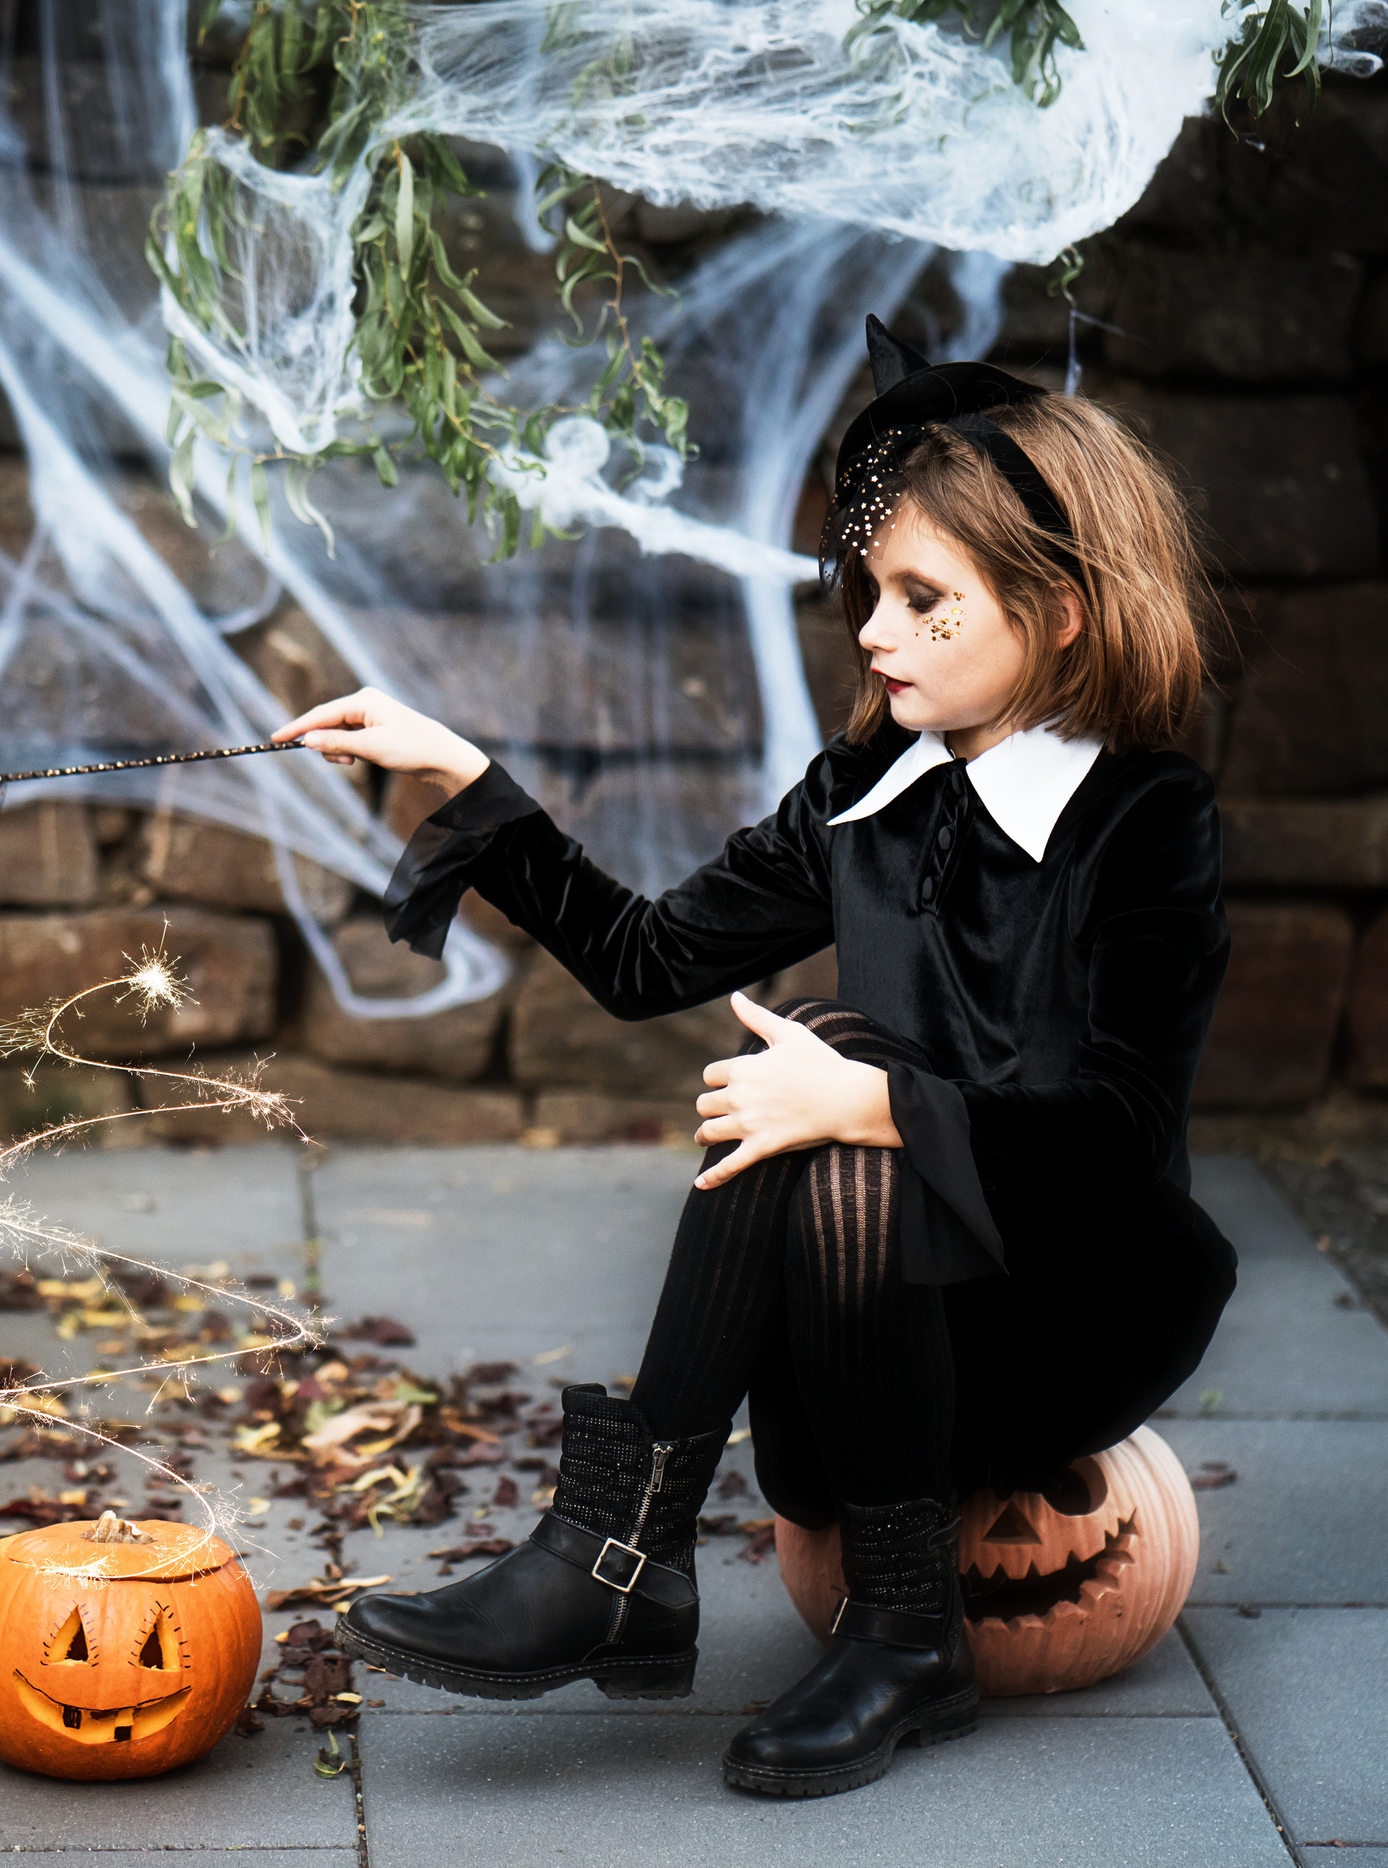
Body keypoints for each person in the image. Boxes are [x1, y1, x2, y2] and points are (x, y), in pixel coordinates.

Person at [272, 317, 1236, 1799]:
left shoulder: (1146, 822)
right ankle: (874, 1624)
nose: (870, 630)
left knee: (845, 1051)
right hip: (876, 1325)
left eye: (926, 600)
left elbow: (1116, 1134)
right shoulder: (869, 792)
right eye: (873, 591)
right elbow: (649, 957)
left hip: (1068, 1300)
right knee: (839, 1050)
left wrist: (876, 1100)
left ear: (1060, 614)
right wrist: (467, 781)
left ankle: (623, 1551)